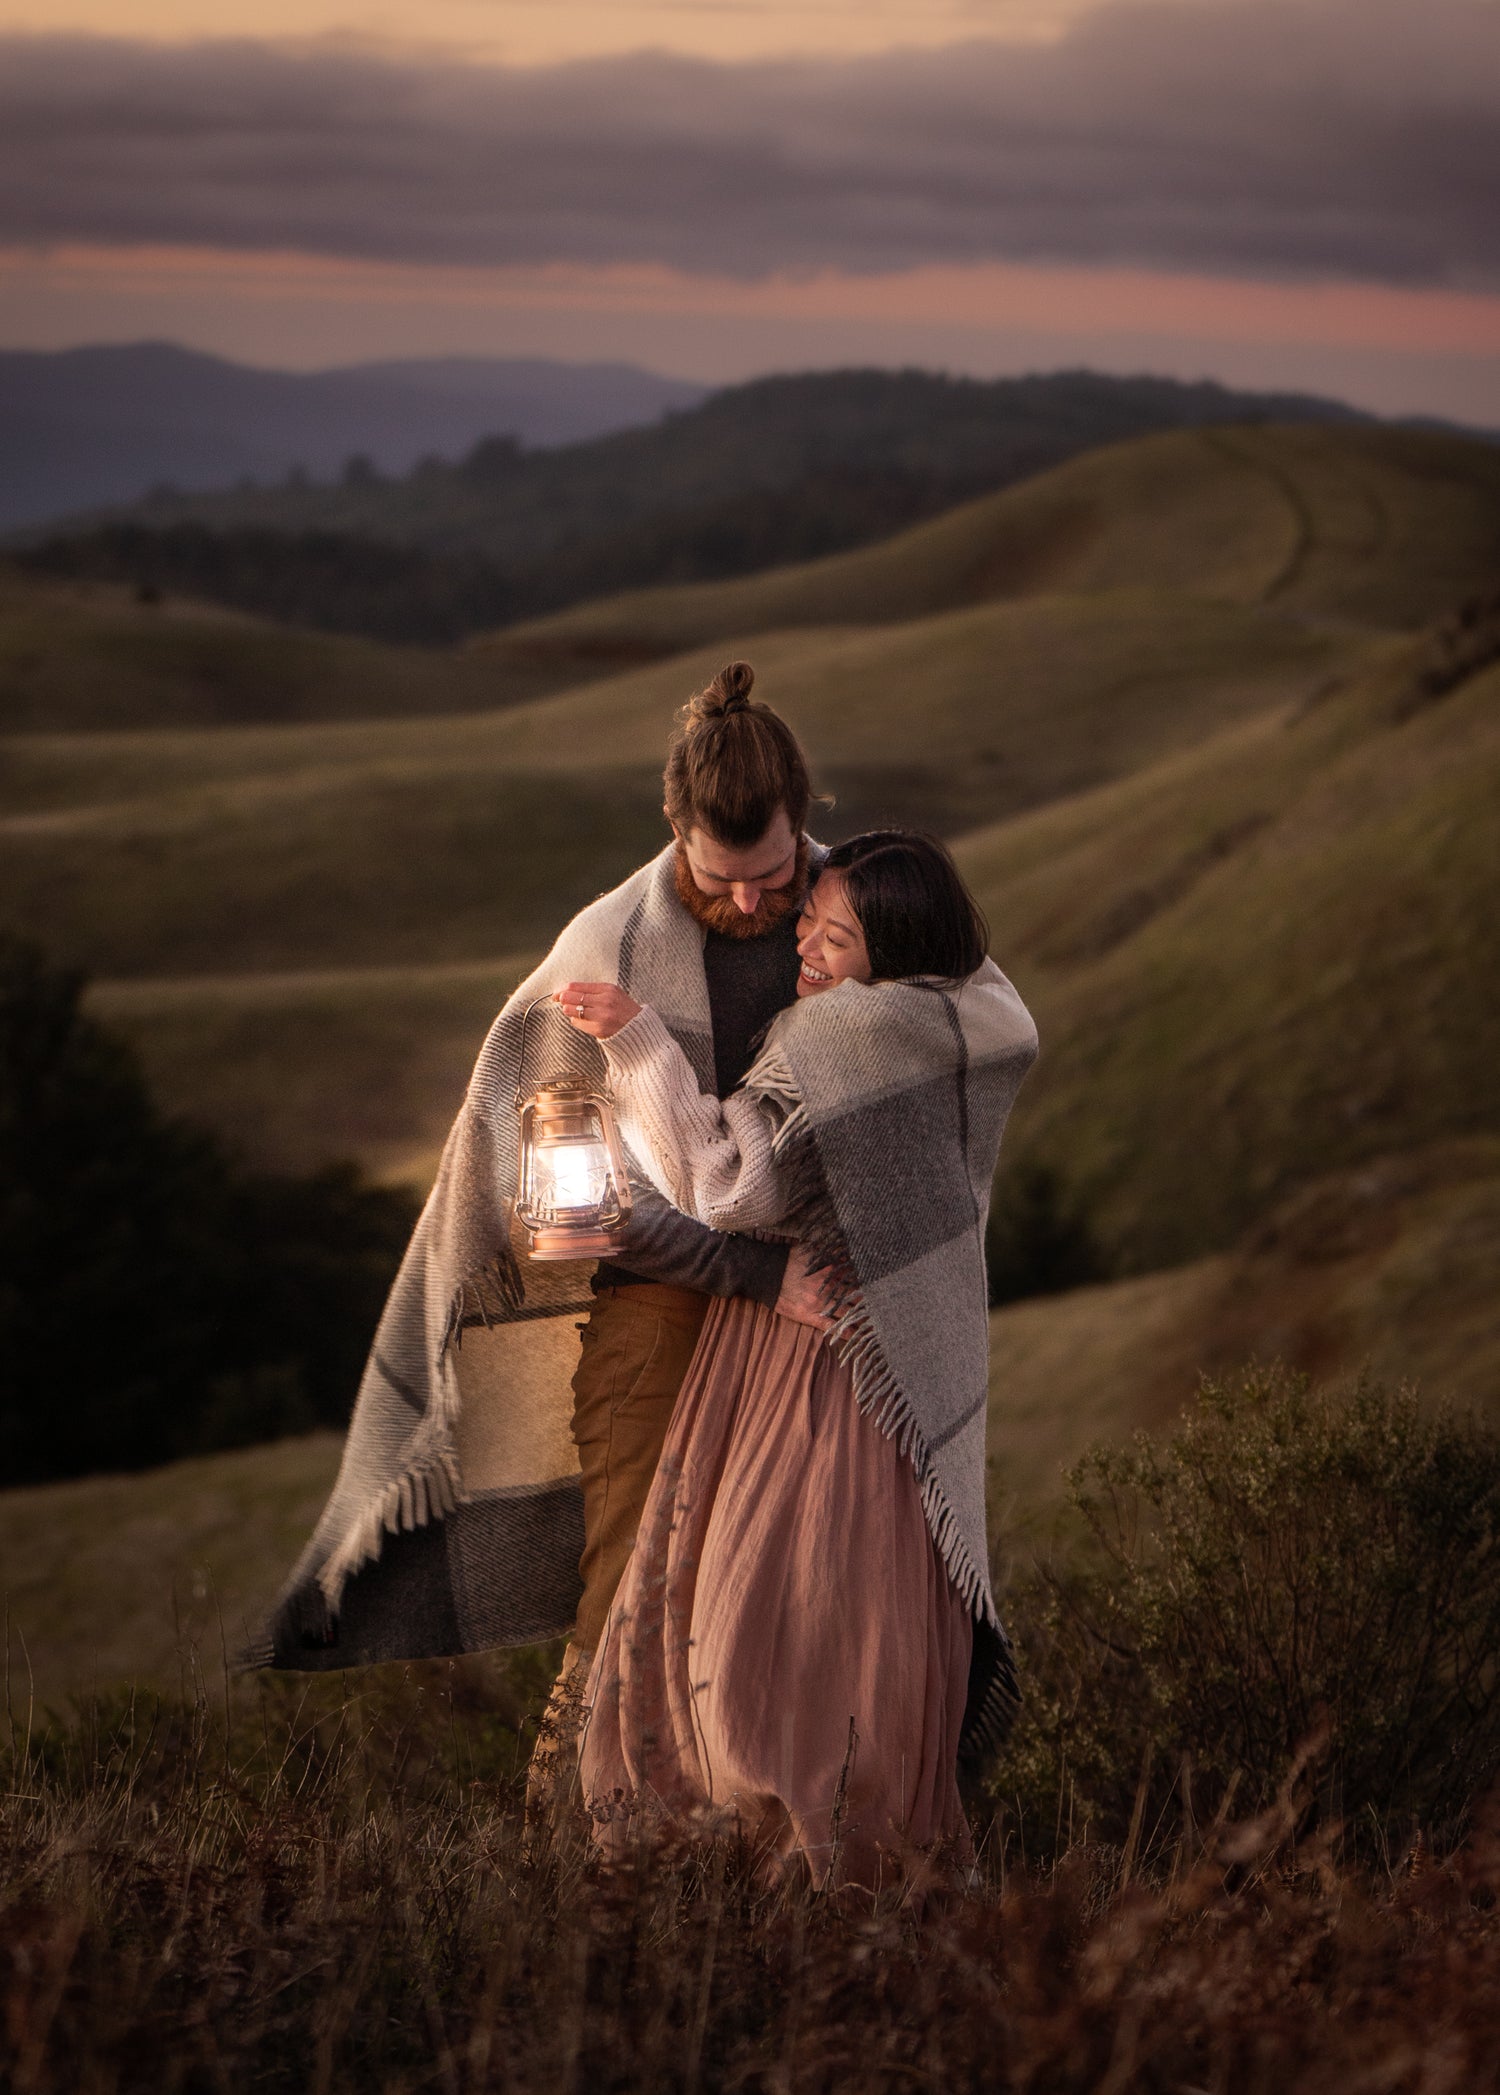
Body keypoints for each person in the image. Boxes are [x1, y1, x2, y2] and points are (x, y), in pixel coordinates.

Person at [257, 663, 829, 1804]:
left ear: (805, 827)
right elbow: (603, 1213)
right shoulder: (605, 956)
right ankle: (579, 1833)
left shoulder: (855, 905)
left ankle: (785, 1838)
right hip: (667, 1295)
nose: (758, 904)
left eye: (774, 876)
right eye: (726, 881)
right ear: (675, 831)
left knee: (805, 1581)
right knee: (633, 1576)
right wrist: (761, 1275)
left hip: (824, 1291)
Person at [555, 831, 1038, 1886]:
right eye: (805, 927)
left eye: (835, 936)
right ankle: (826, 1856)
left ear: (896, 949)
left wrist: (640, 1044)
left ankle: (781, 1843)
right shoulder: (973, 1016)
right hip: (884, 1354)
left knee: (768, 1608)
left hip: (821, 1350)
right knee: (853, 1605)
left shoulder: (850, 1034)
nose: (806, 955)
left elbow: (732, 1189)